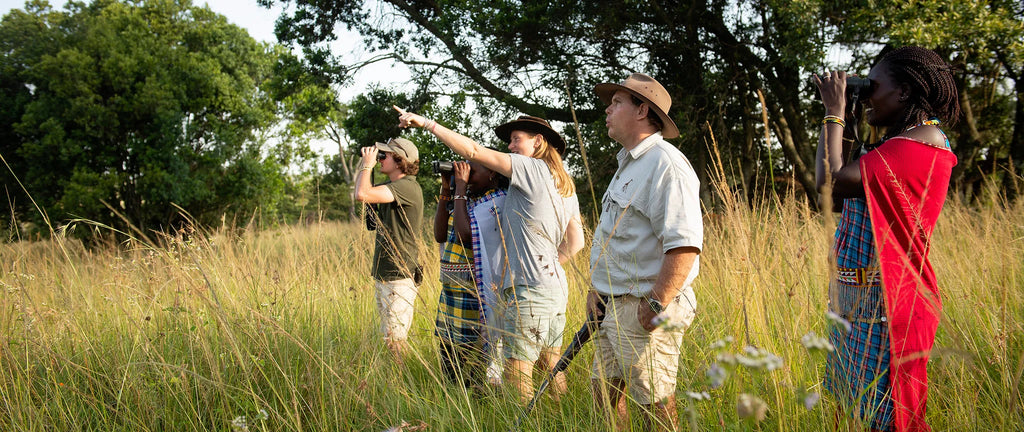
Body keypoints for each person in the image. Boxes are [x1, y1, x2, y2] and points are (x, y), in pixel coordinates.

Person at [813, 46, 961, 432]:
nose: (867, 98)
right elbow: (838, 192)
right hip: (859, 303)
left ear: (906, 92)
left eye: (873, 87)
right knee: (854, 414)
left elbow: (827, 181)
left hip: (889, 307)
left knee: (888, 419)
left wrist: (834, 112)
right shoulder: (894, 147)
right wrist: (844, 117)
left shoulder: (922, 144)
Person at [394, 107, 585, 403]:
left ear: (537, 142)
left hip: (528, 289)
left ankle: (525, 424)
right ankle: (558, 417)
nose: (510, 147)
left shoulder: (531, 169)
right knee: (551, 364)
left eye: (515, 139)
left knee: (516, 371)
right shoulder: (565, 185)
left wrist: (427, 123)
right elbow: (576, 243)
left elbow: (472, 148)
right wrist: (546, 266)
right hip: (555, 287)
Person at [586, 73, 702, 432]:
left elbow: (684, 244)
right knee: (602, 395)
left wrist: (656, 303)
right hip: (611, 305)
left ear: (642, 110)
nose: (608, 109)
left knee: (653, 405)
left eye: (617, 102)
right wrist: (596, 288)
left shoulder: (666, 164)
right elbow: (616, 238)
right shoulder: (629, 164)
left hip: (643, 306)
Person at [432, 160, 508, 388]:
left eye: (472, 171)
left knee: (471, 355)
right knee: (448, 352)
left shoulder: (497, 200)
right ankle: (452, 394)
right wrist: (448, 189)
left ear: (492, 172)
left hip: (474, 292)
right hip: (452, 292)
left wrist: (462, 189)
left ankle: (475, 399)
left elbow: (465, 235)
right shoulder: (466, 200)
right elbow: (439, 234)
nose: (466, 175)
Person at [354, 137, 424, 361]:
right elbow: (370, 217)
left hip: (399, 275)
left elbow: (361, 194)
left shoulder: (406, 187)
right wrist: (369, 171)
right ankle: (398, 382)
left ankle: (403, 385)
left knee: (395, 340)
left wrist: (367, 166)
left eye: (385, 155)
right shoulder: (390, 188)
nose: (380, 159)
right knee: (390, 338)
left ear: (400, 159)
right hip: (386, 274)